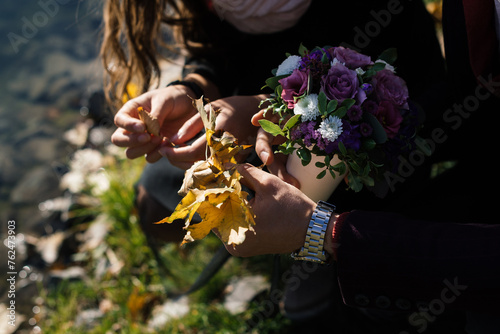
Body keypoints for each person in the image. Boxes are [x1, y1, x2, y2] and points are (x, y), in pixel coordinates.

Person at [103, 0, 454, 332]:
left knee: (372, 307)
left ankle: (328, 247)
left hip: (373, 154)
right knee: (155, 204)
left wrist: (281, 114)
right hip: (258, 130)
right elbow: (211, 50)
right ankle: (293, 241)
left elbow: (422, 96)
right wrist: (191, 89)